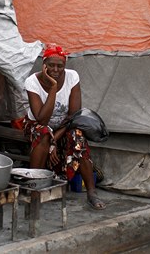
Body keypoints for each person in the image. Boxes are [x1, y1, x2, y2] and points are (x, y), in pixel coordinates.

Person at [23, 43, 106, 210]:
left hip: (64, 126)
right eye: (51, 65)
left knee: (77, 136)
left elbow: (74, 116)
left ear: (65, 65)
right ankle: (34, 187)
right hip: (36, 126)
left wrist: (56, 140)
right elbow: (41, 119)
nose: (55, 69)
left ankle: (91, 191)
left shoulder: (72, 77)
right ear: (44, 64)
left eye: (60, 66)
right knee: (44, 132)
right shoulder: (32, 82)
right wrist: (53, 87)